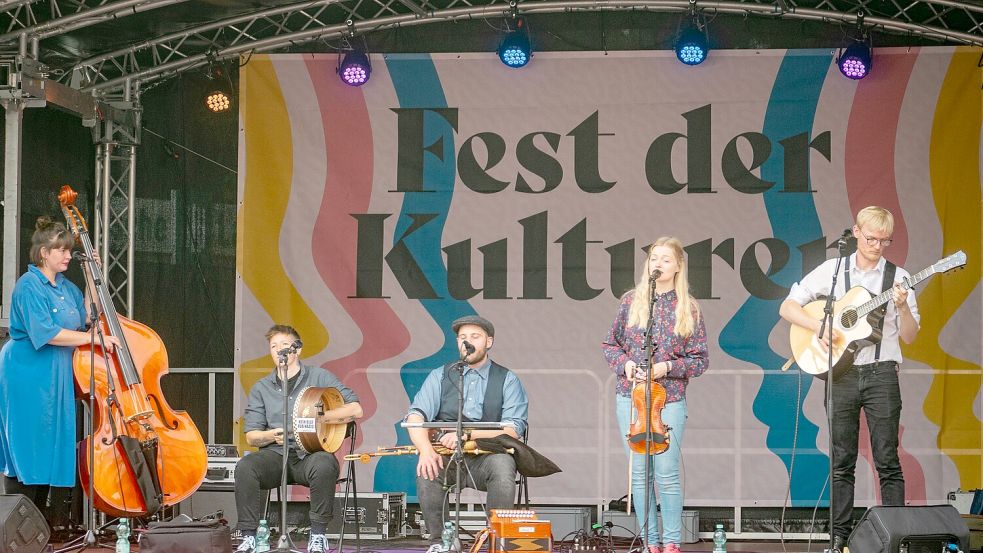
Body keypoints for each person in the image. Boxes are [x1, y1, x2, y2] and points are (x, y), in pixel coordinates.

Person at [779, 206, 919, 551]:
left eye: (884, 240)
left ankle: (895, 537)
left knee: (887, 457)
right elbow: (788, 306)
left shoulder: (898, 277)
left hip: (882, 372)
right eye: (870, 237)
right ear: (855, 232)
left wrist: (901, 307)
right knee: (841, 459)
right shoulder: (833, 270)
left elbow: (912, 336)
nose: (876, 245)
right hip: (841, 375)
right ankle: (838, 536)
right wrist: (819, 325)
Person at [0, 216, 120, 515]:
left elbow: (89, 319)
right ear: (44, 253)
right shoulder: (29, 285)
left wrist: (94, 275)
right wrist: (95, 340)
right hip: (29, 373)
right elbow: (48, 334)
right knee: (29, 445)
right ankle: (20, 524)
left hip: (57, 376)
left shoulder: (67, 289)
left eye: (69, 250)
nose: (68, 255)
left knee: (51, 448)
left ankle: (39, 527)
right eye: (62, 250)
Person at [602, 237, 709, 553]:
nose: (658, 263)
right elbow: (610, 345)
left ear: (678, 266)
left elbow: (700, 359)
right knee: (639, 473)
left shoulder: (687, 307)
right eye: (654, 258)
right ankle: (650, 542)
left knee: (667, 473)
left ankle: (672, 541)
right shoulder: (631, 301)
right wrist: (628, 364)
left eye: (665, 259)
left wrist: (665, 367)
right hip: (630, 396)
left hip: (669, 398)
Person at [234, 324, 363, 553]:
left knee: (325, 464)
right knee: (245, 467)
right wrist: (271, 435)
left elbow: (355, 409)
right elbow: (252, 437)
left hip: (310, 454)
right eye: (274, 346)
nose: (279, 351)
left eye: (285, 345)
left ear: (297, 350)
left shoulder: (319, 377)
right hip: (275, 455)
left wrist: (321, 417)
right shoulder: (261, 387)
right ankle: (249, 536)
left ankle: (318, 535)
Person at [406, 315, 529, 553]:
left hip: (488, 455)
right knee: (428, 468)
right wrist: (425, 450)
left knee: (504, 466)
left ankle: (497, 540)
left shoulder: (507, 379)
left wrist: (465, 436)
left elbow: (513, 428)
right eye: (463, 338)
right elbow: (415, 417)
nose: (468, 342)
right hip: (448, 454)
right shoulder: (440, 375)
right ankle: (441, 542)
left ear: (489, 342)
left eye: (475, 337)